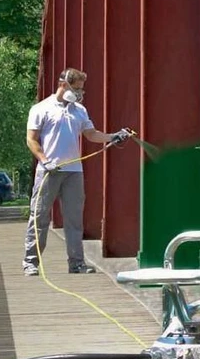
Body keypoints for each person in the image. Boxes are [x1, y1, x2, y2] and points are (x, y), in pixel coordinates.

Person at [22, 67, 130, 276]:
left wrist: (113, 136)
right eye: (77, 88)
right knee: (39, 217)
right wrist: (45, 161)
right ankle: (30, 262)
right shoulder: (41, 108)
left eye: (82, 89)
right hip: (48, 172)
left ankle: (77, 264)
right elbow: (31, 139)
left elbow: (91, 134)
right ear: (63, 84)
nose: (80, 93)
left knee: (74, 220)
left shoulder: (79, 110)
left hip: (74, 171)